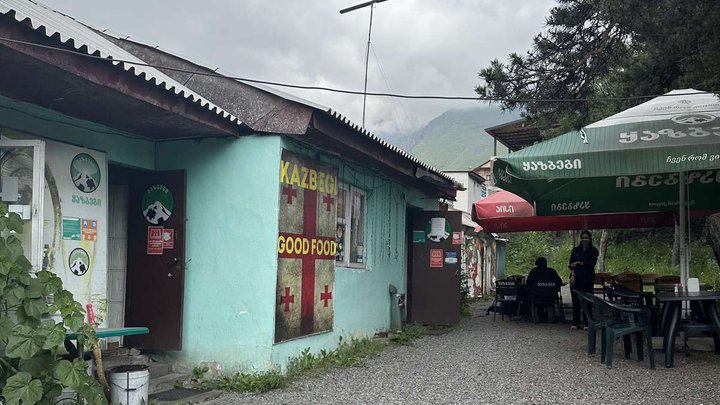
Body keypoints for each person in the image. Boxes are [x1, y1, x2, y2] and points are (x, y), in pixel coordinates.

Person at [569, 230, 599, 330]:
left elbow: (591, 264)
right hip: (575, 278)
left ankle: (587, 322)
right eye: (582, 237)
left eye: (586, 238)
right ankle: (575, 322)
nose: (584, 239)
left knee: (587, 300)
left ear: (589, 239)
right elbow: (571, 264)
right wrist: (573, 275)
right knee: (575, 301)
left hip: (587, 279)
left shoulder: (593, 251)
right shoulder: (575, 250)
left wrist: (578, 262)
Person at [525, 257, 562, 321]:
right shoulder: (552, 271)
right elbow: (559, 282)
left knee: (527, 296)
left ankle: (534, 316)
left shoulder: (534, 271)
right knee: (549, 300)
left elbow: (528, 282)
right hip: (551, 297)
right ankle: (551, 317)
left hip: (537, 296)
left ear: (536, 264)